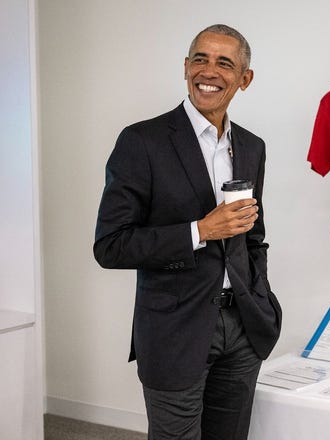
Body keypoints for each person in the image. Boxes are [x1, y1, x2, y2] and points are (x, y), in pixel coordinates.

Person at [93, 24, 281, 440]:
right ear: (185, 67)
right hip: (174, 331)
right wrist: (200, 230)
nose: (208, 71)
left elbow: (254, 237)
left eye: (223, 63)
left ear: (244, 79)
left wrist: (260, 296)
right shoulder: (142, 141)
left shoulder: (251, 146)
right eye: (200, 58)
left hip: (243, 326)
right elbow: (110, 246)